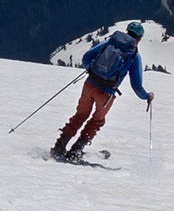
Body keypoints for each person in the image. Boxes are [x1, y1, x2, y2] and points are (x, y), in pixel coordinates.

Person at [53, 20, 149, 159]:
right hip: (106, 93)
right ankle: (75, 151)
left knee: (80, 116)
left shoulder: (111, 42)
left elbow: (87, 57)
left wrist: (91, 71)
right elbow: (137, 86)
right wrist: (147, 96)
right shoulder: (134, 55)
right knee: (97, 121)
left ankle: (59, 147)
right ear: (139, 38)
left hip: (90, 84)